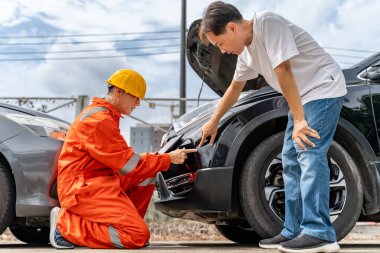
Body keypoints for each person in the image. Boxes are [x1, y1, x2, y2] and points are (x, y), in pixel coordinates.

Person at [198, 2, 346, 253]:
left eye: (220, 44)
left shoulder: (267, 23)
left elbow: (283, 69)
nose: (222, 51)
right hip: (302, 97)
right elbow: (234, 89)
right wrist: (213, 122)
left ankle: (319, 233)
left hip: (323, 88)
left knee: (309, 153)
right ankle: (294, 230)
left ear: (232, 27)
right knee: (289, 159)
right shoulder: (246, 54)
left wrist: (299, 120)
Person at [49, 69, 197, 249]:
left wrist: (160, 160)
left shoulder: (106, 116)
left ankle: (125, 223)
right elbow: (128, 164)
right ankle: (65, 225)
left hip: (97, 181)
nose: (138, 103)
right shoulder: (98, 120)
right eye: (135, 97)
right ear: (119, 92)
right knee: (136, 237)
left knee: (148, 174)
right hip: (82, 189)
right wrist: (167, 159)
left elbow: (126, 161)